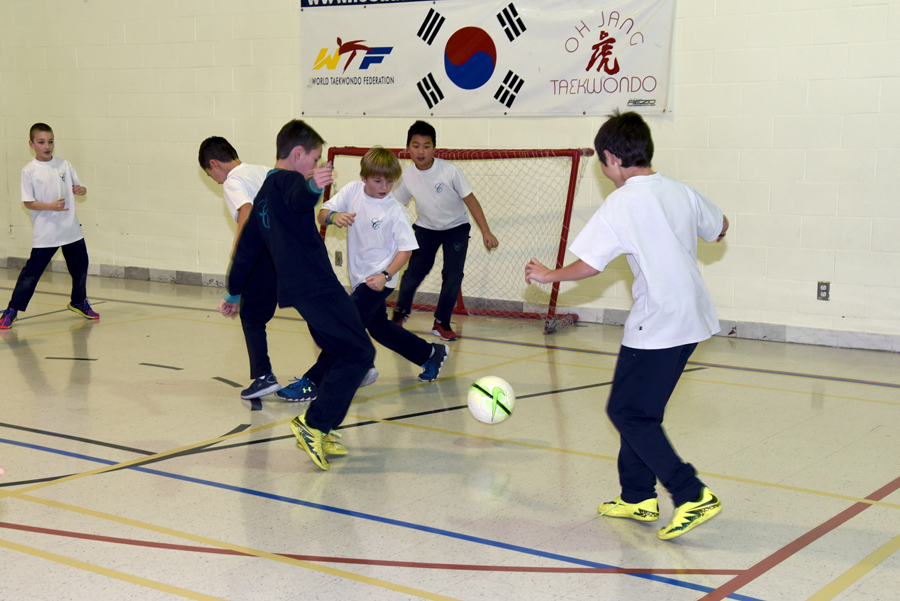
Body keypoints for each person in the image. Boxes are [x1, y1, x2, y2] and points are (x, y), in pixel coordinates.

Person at [524, 111, 729, 540]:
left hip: (659, 320)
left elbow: (590, 265)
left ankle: (691, 494)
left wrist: (547, 275)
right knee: (640, 410)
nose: (604, 170)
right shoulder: (679, 190)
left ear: (613, 159)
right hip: (692, 316)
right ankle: (637, 496)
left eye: (602, 162)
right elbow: (721, 227)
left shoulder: (622, 202)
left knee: (627, 411)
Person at [220, 120, 375, 471]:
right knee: (360, 352)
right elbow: (299, 197)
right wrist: (310, 187)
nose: (317, 164)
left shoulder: (263, 194)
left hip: (304, 288)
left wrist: (233, 290)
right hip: (315, 285)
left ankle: (325, 427)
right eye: (315, 158)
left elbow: (246, 248)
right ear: (297, 153)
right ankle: (314, 425)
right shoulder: (290, 181)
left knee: (342, 352)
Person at [277, 147, 449, 401]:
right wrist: (334, 216)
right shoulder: (352, 191)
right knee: (379, 329)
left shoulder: (395, 210)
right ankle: (430, 354)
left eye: (390, 181)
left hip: (381, 279)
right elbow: (322, 215)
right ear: (364, 177)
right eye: (377, 180)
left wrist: (385, 275)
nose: (384, 186)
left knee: (342, 326)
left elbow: (406, 250)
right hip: (359, 279)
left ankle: (313, 381)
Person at [390, 120, 499, 342]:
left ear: (435, 148)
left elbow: (471, 201)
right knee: (412, 274)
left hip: (456, 229)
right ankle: (400, 313)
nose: (421, 151)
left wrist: (486, 232)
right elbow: (395, 207)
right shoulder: (406, 176)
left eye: (426, 146)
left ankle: (441, 322)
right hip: (425, 229)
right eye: (416, 145)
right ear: (408, 148)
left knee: (453, 275)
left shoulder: (450, 171)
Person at [199, 136, 280, 401]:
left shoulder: (233, 180)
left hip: (262, 254)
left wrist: (238, 248)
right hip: (285, 252)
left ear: (214, 164)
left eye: (210, 174)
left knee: (252, 318)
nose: (215, 180)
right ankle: (349, 355)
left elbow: (246, 209)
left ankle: (263, 377)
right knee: (310, 308)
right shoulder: (262, 170)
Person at [1, 123, 98, 330]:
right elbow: (28, 202)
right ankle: (12, 310)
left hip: (71, 230)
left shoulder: (64, 165)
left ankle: (78, 301)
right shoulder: (29, 171)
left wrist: (81, 189)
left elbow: (81, 186)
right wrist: (51, 206)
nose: (47, 146)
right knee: (32, 273)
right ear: (31, 144)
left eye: (50, 141)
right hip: (47, 232)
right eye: (41, 142)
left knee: (80, 267)